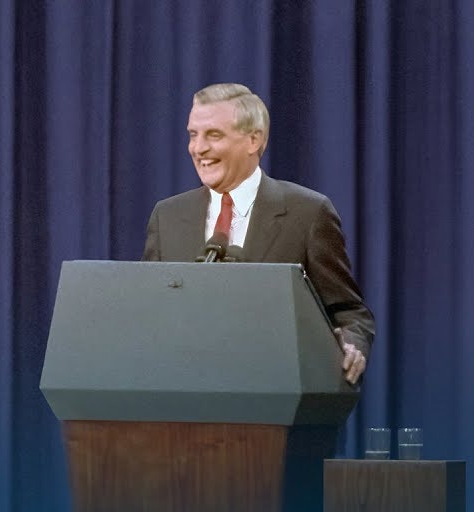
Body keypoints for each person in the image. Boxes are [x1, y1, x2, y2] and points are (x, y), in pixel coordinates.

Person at [142, 83, 374, 385]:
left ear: (253, 140)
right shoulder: (168, 216)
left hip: (276, 397)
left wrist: (353, 344)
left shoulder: (308, 213)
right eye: (193, 135)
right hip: (182, 399)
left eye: (214, 135)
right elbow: (147, 309)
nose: (198, 149)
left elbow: (348, 310)